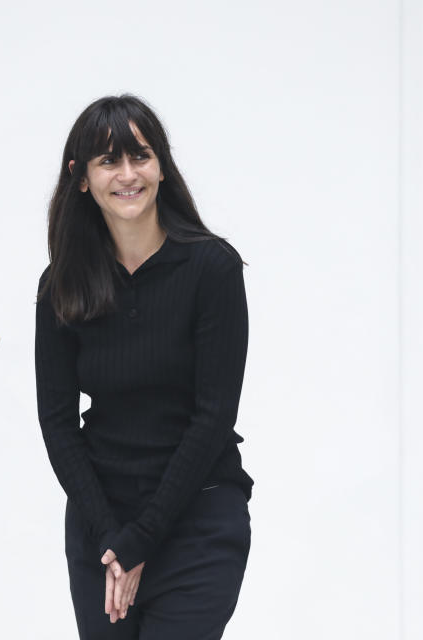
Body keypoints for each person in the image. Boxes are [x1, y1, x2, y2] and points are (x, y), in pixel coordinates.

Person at [35, 96, 252, 639]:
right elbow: (58, 424)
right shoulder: (60, 283)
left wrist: (141, 540)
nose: (128, 174)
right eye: (109, 161)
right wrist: (112, 538)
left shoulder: (212, 268)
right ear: (81, 177)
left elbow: (213, 417)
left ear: (161, 166)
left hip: (197, 517)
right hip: (101, 523)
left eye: (141, 156)